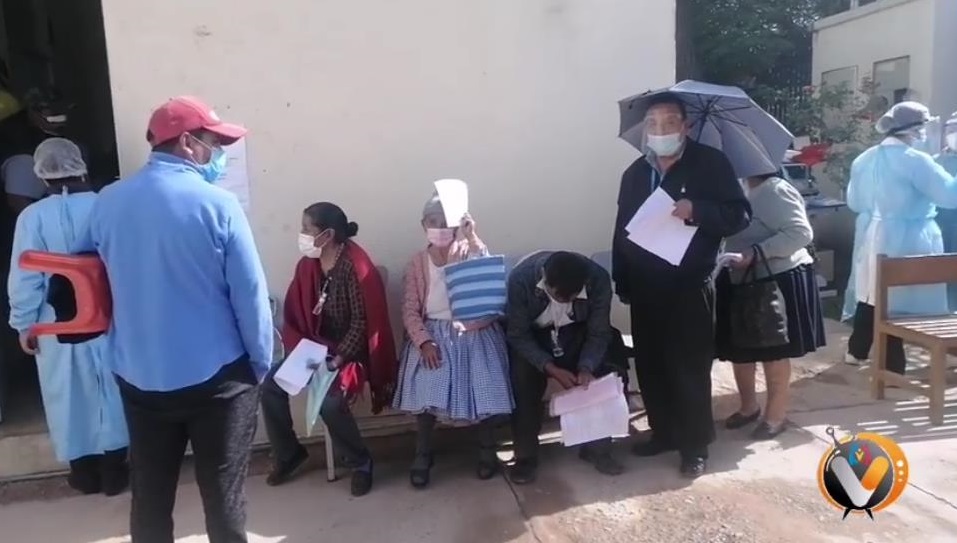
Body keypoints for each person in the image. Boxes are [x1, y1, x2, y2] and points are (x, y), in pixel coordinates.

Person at [73, 96, 273, 543]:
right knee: (223, 499)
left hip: (139, 378)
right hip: (219, 380)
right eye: (213, 143)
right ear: (186, 142)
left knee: (150, 497)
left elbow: (82, 277)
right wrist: (259, 364)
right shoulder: (219, 205)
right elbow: (250, 295)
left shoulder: (108, 202)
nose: (217, 154)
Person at [611, 92, 751, 478]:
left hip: (690, 283)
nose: (661, 130)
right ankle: (664, 432)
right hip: (645, 284)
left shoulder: (710, 164)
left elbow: (739, 214)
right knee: (652, 364)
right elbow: (622, 229)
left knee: (689, 366)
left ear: (685, 126)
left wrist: (698, 211)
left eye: (669, 122)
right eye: (653, 124)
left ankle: (694, 445)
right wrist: (622, 278)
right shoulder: (635, 174)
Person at [7, 138, 128, 494]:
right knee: (112, 389)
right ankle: (115, 471)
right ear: (82, 166)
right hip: (109, 317)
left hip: (55, 323)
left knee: (67, 395)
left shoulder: (32, 218)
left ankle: (84, 475)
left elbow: (25, 277)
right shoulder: (106, 205)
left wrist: (23, 325)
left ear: (41, 175)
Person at [261, 202, 396, 497]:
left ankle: (361, 463)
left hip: (348, 354)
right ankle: (288, 453)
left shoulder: (353, 266)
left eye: (307, 229)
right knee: (270, 386)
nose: (302, 234)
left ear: (328, 235)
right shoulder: (308, 264)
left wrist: (337, 359)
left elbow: (362, 323)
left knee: (330, 403)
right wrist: (306, 352)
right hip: (313, 348)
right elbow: (298, 313)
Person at [393, 194, 513, 488]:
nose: (440, 228)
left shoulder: (468, 250)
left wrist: (472, 237)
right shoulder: (417, 263)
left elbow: (487, 280)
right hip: (433, 333)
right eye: (433, 222)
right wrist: (424, 342)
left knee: (482, 388)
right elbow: (409, 310)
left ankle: (487, 449)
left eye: (446, 222)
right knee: (427, 392)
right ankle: (423, 454)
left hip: (473, 331)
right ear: (424, 225)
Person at [843, 102, 957, 375]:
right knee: (895, 300)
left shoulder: (864, 158)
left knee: (871, 291)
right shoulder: (916, 160)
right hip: (908, 237)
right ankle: (892, 365)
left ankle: (858, 350)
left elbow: (854, 201)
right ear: (916, 130)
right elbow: (949, 196)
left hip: (870, 233)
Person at [715, 171, 826, 439]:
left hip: (774, 280)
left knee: (773, 350)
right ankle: (748, 407)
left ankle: (776, 415)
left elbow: (800, 233)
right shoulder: (738, 188)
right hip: (739, 277)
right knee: (740, 348)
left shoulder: (775, 190)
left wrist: (757, 252)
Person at [506, 250, 629, 485]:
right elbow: (518, 334)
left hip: (578, 333)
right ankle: (525, 457)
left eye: (570, 297)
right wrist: (549, 367)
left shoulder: (597, 279)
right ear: (545, 278)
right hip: (535, 337)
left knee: (605, 372)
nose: (563, 302)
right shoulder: (521, 278)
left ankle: (598, 449)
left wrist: (586, 367)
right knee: (522, 379)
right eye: (557, 296)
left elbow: (599, 332)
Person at [934, 113, 957, 312]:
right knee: (943, 273)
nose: (953, 135)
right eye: (950, 130)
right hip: (940, 227)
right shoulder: (935, 162)